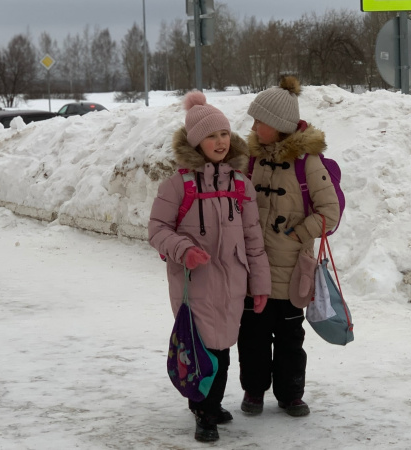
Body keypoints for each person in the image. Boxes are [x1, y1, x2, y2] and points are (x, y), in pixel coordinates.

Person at [149, 91, 271, 443]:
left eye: (223, 135)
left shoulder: (240, 185)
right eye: (210, 136)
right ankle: (204, 410)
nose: (219, 142)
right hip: (194, 281)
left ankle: (209, 404)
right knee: (204, 345)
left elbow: (253, 239)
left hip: (233, 279)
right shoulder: (177, 186)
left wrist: (259, 284)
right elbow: (157, 230)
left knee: (223, 345)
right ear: (195, 142)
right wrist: (183, 249)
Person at [238, 75, 340, 418]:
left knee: (289, 339)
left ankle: (290, 394)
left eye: (259, 121)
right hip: (254, 268)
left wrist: (299, 234)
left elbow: (330, 212)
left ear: (278, 126)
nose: (253, 127)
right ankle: (253, 391)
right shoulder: (251, 160)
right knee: (251, 336)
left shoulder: (308, 163)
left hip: (293, 269)